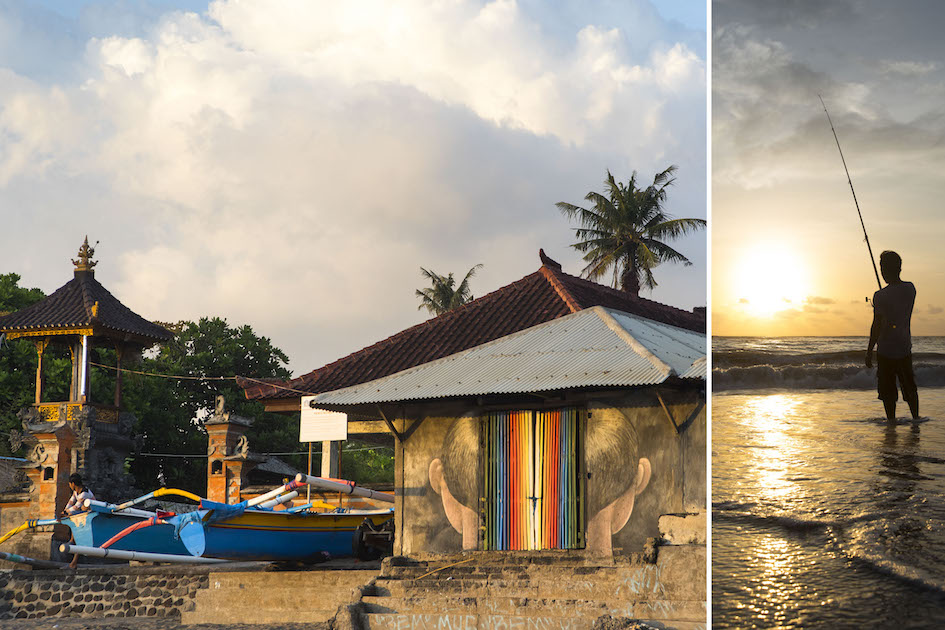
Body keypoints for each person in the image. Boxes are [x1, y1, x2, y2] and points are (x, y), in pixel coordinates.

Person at [866, 250, 919, 421]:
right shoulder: (910, 289)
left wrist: (869, 351)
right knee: (909, 388)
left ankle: (891, 423)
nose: (880, 271)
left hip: (886, 351)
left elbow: (877, 326)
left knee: (888, 392)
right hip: (904, 347)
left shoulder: (880, 296)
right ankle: (916, 419)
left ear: (886, 269)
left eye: (882, 267)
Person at [61, 473, 95, 569]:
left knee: (78, 538)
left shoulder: (84, 493)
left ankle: (73, 562)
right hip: (83, 518)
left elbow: (76, 507)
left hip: (90, 517)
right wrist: (65, 511)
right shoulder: (76, 492)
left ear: (72, 484)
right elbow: (70, 503)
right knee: (78, 538)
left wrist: (66, 512)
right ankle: (73, 562)